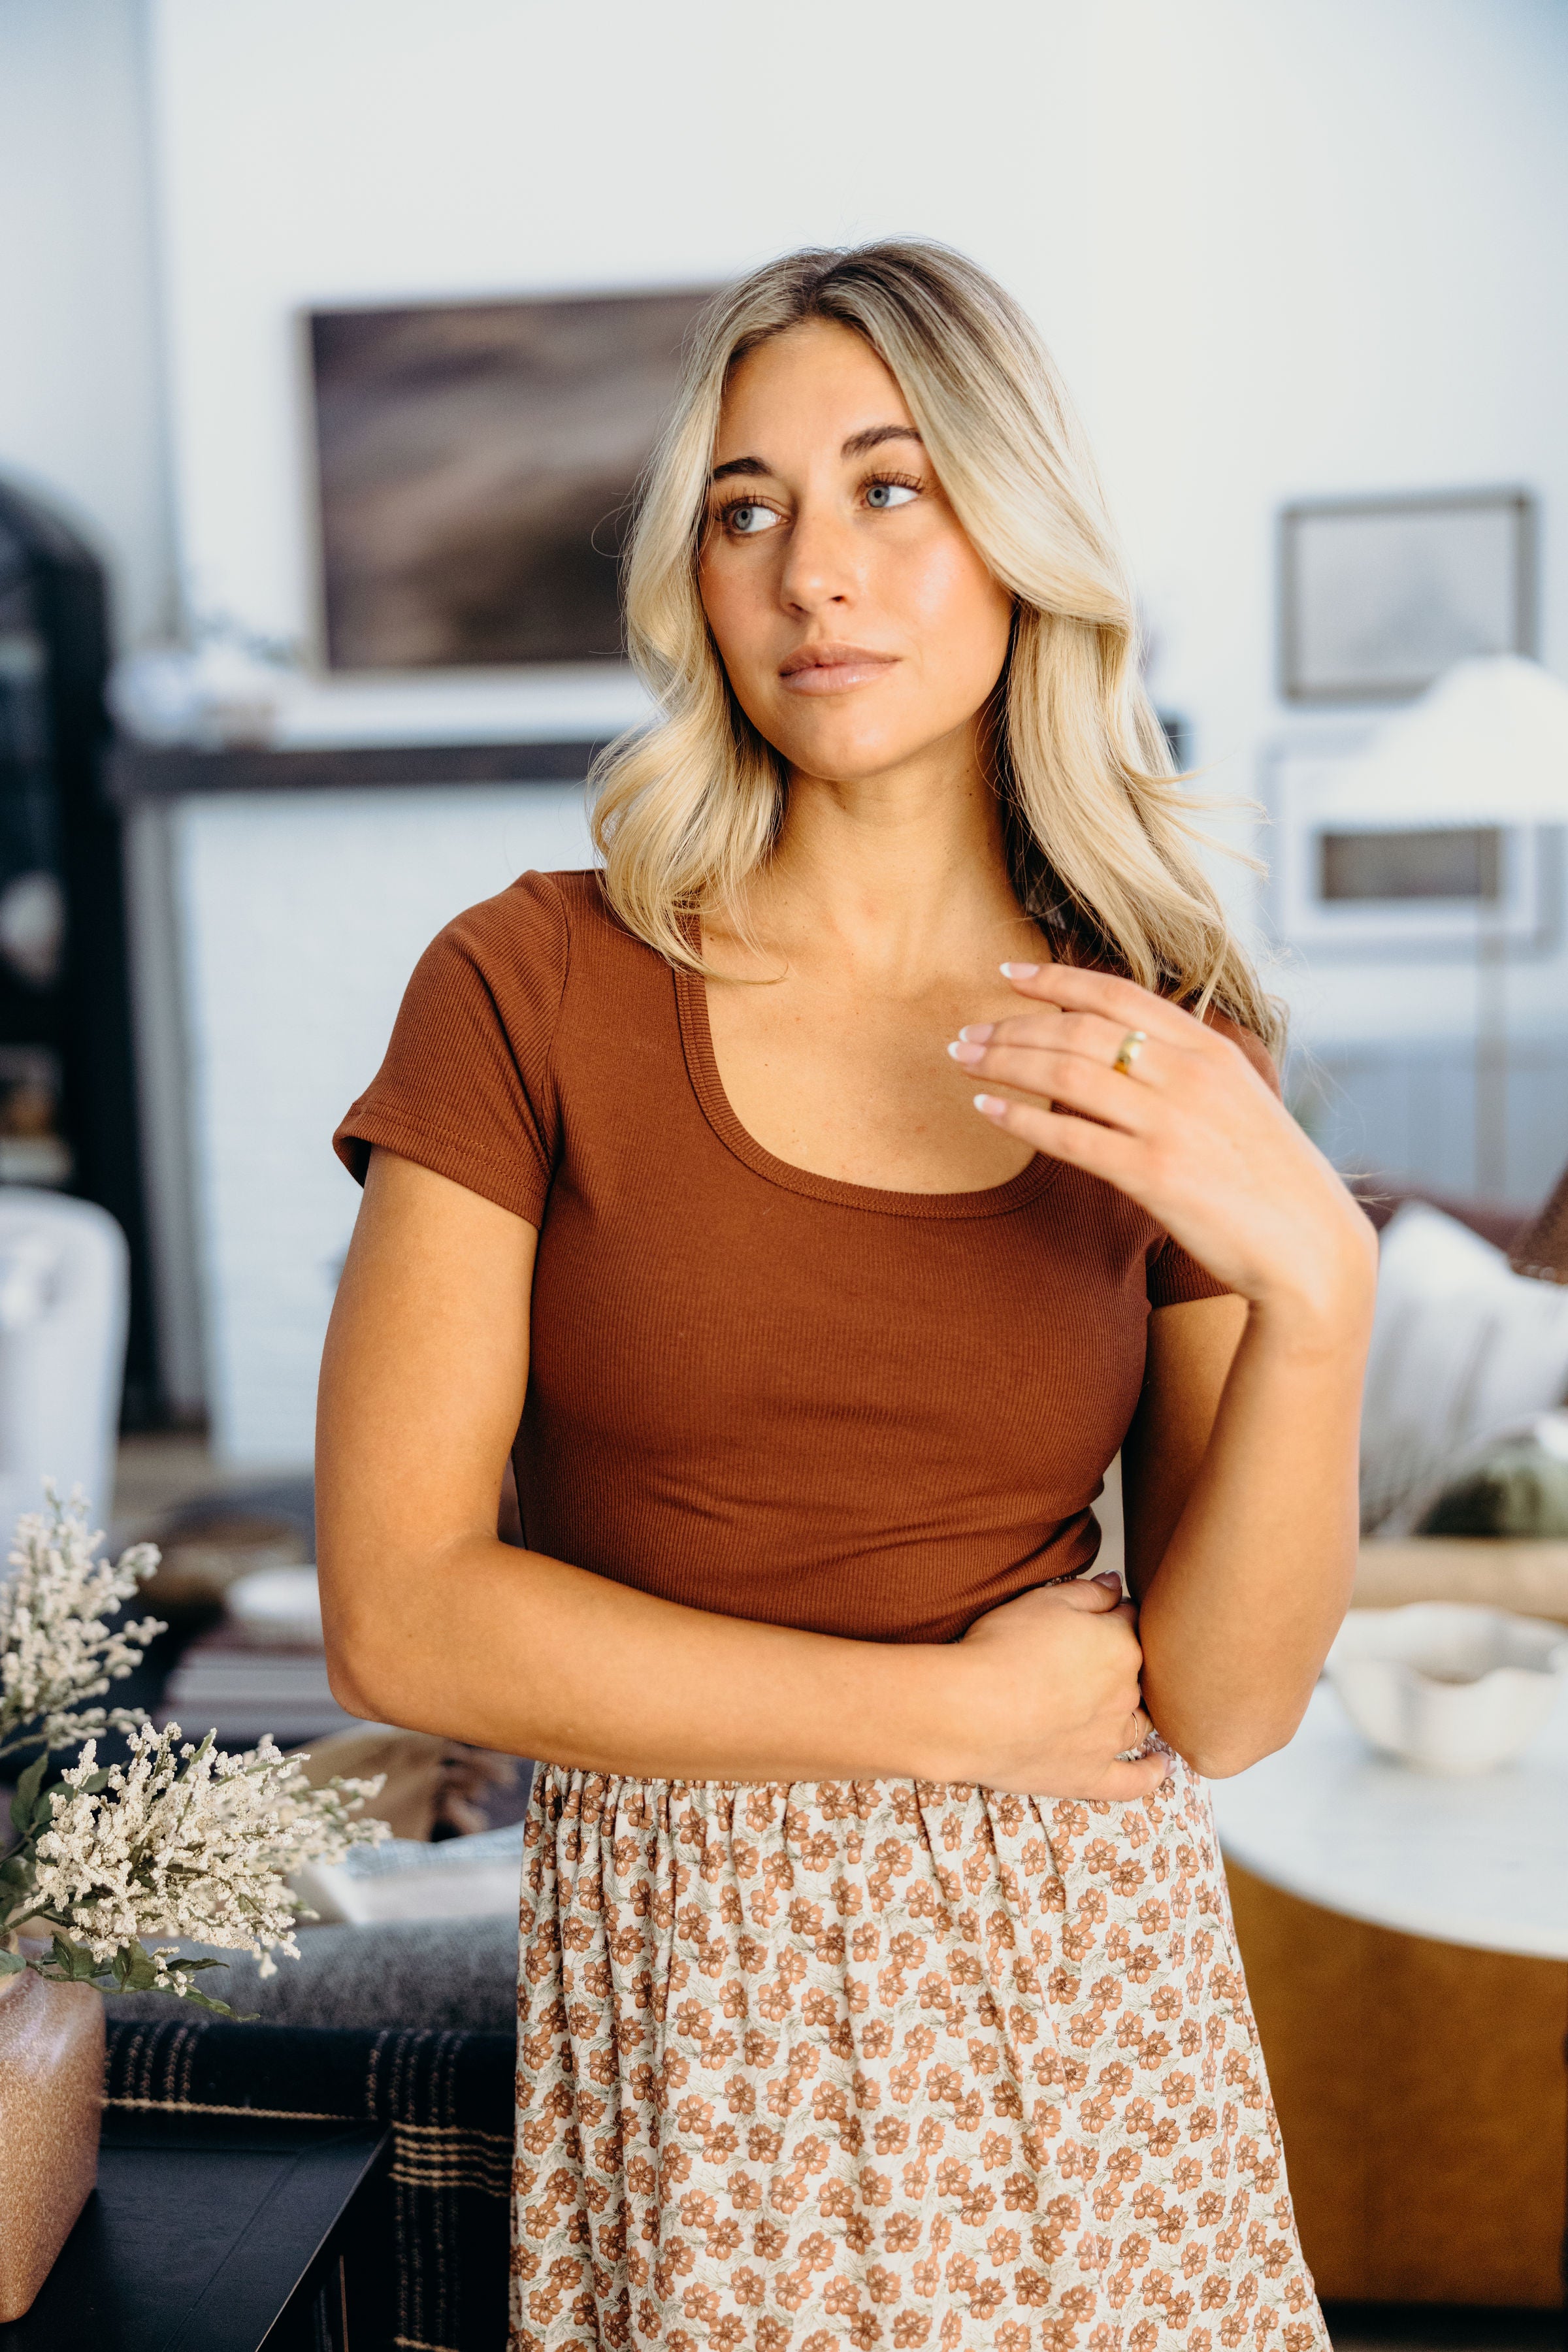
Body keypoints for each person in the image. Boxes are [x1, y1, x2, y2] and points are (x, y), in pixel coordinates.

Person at [318, 240, 1375, 2352]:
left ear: (1019, 535)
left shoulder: (1162, 1042)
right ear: (692, 578)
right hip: (705, 1992)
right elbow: (401, 1611)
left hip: (1090, 1989)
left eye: (893, 487)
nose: (817, 570)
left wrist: (1323, 1285)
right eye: (747, 506)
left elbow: (1230, 1703)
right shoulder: (528, 986)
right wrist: (947, 1716)